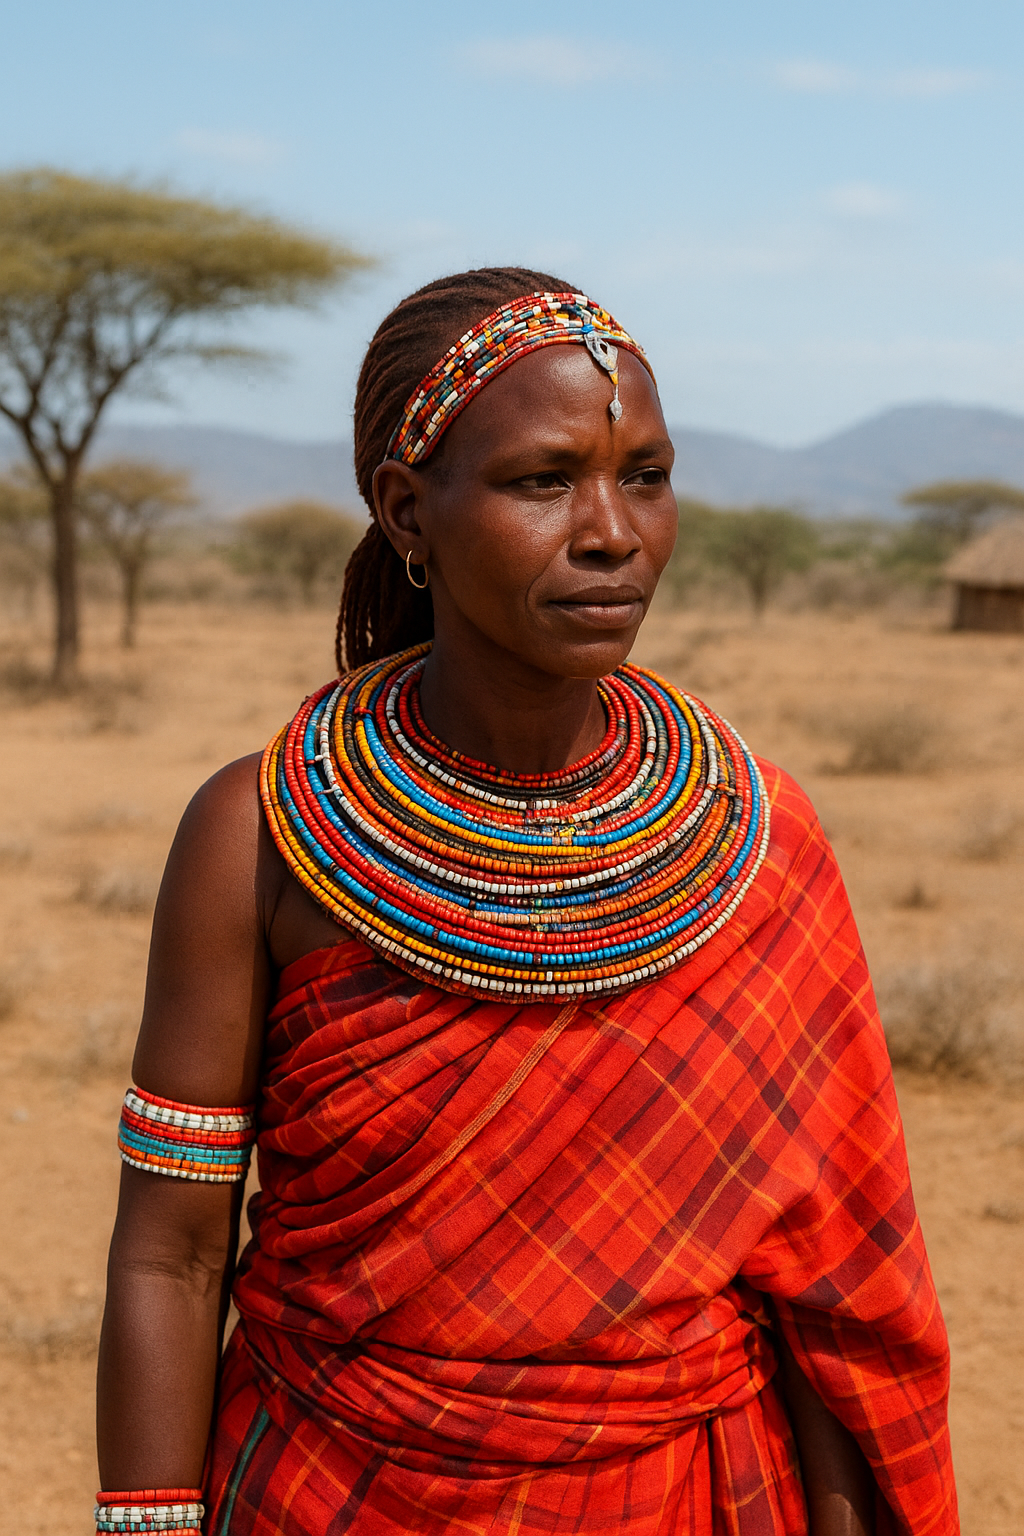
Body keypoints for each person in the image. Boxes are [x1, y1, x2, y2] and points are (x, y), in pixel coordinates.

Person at [96, 269, 957, 1536]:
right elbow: (168, 1255)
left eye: (645, 476)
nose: (611, 531)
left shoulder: (759, 840)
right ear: (407, 511)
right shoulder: (259, 836)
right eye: (542, 480)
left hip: (682, 1498)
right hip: (331, 1496)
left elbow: (824, 1282)